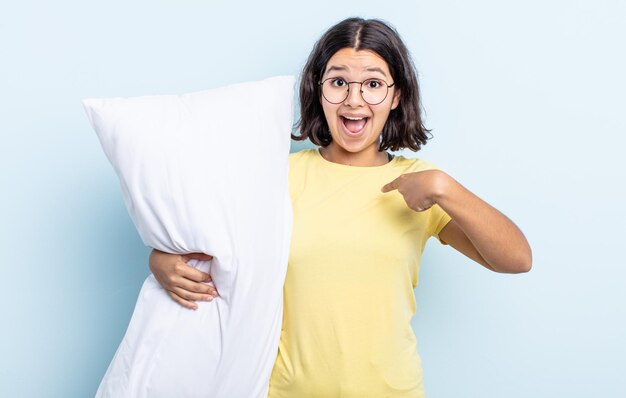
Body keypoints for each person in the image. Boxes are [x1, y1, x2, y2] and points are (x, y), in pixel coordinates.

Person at [149, 17, 532, 397]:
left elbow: (516, 259)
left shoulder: (422, 186)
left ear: (396, 96)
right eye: (338, 82)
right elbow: (208, 247)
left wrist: (444, 187)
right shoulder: (276, 177)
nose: (353, 99)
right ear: (319, 91)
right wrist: (161, 262)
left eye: (373, 84)